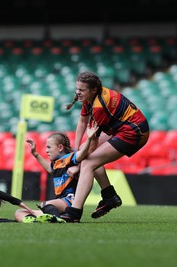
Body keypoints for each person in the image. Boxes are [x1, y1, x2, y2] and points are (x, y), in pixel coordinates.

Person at [61, 71, 150, 222]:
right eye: (77, 89)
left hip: (134, 132)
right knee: (84, 153)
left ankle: (74, 212)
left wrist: (77, 165)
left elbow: (93, 143)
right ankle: (110, 196)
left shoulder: (99, 106)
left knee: (88, 162)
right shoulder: (91, 97)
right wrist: (75, 152)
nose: (78, 92)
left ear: (93, 90)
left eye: (81, 90)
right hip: (123, 128)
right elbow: (82, 122)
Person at [14, 123, 98, 223]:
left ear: (60, 147)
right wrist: (35, 154)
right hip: (60, 203)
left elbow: (82, 154)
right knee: (19, 212)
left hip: (69, 201)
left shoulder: (70, 158)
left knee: (45, 205)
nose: (46, 150)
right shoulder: (56, 164)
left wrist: (89, 138)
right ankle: (37, 221)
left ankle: (57, 219)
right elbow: (50, 169)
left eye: (49, 147)